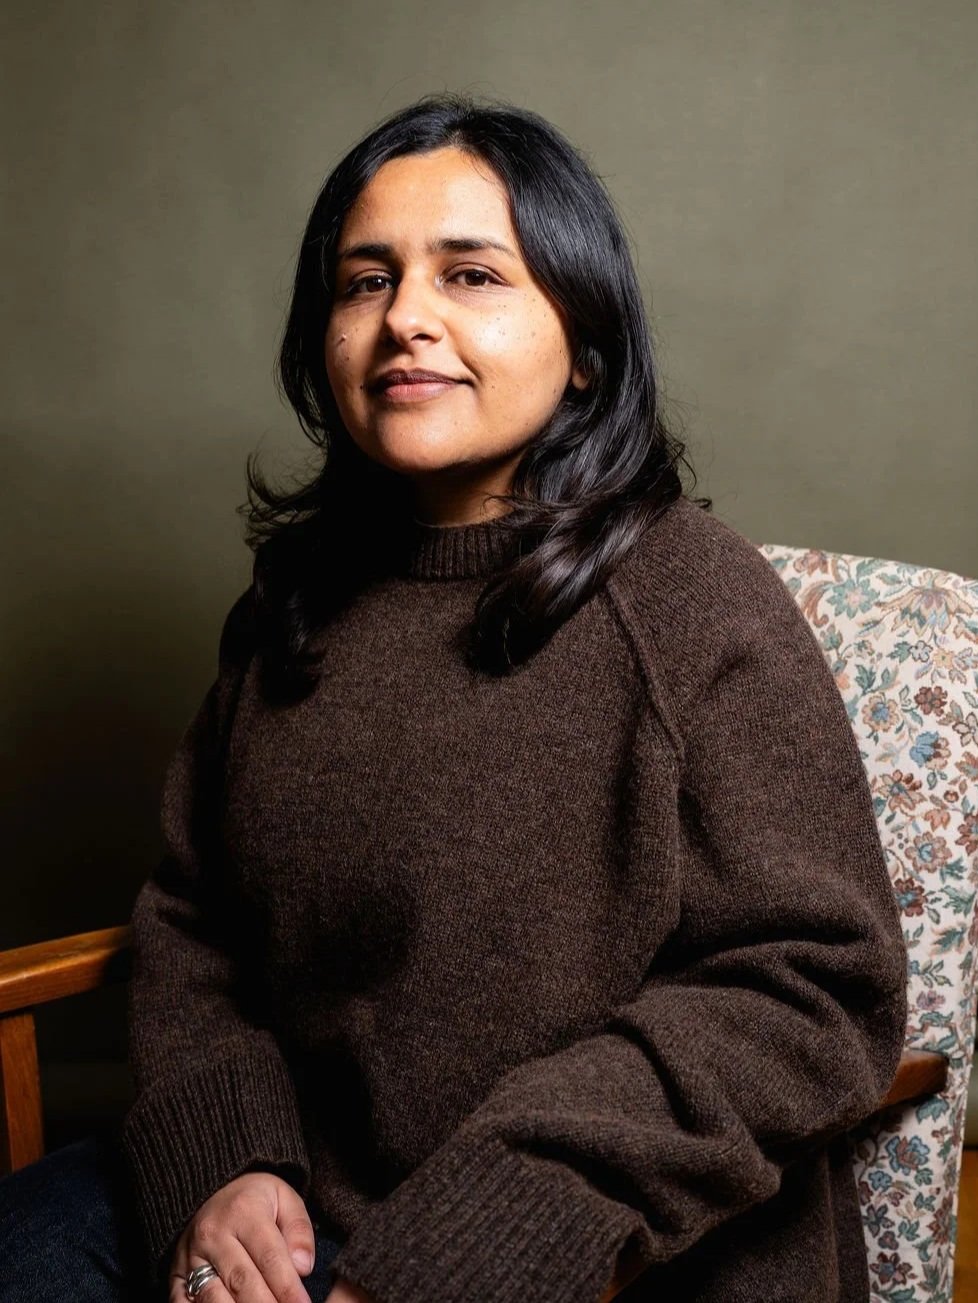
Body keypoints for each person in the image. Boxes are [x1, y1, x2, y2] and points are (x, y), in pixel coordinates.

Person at [0, 93, 907, 1303]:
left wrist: (480, 1238)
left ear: (585, 345)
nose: (405, 319)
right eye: (366, 280)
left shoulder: (695, 601)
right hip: (305, 1207)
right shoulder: (293, 603)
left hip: (594, 1244)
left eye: (471, 275)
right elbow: (192, 919)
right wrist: (227, 1162)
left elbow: (815, 986)